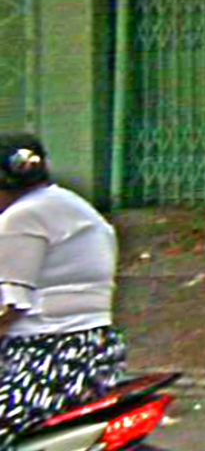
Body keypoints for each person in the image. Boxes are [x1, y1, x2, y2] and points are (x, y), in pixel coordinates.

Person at [0, 132, 126, 449]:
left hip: (46, 359)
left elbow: (10, 307)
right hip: (94, 352)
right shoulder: (71, 205)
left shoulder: (20, 219)